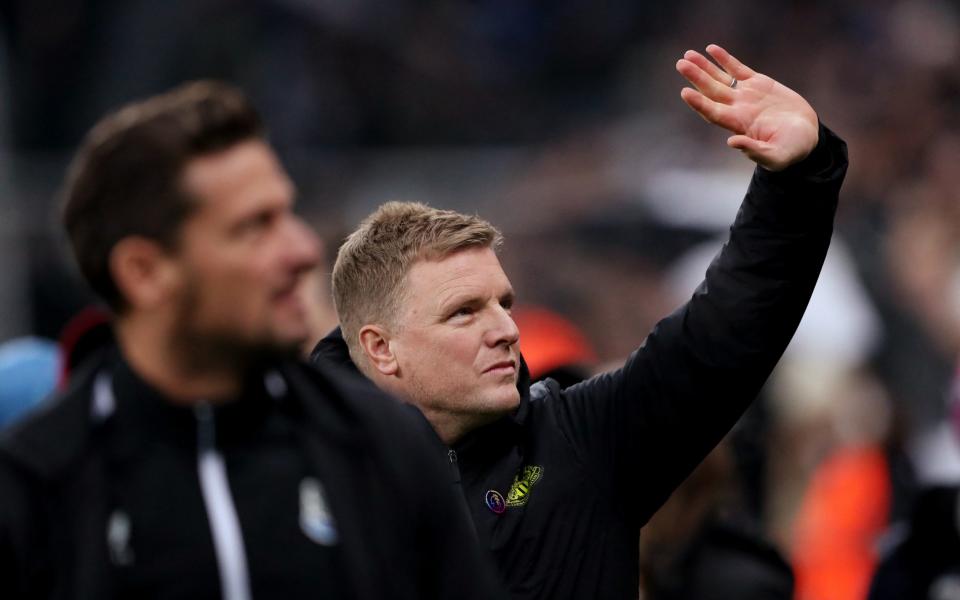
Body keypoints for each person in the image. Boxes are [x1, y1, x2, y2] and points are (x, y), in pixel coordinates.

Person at [312, 44, 848, 599]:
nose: (504, 329)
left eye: (503, 303)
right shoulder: (302, 476)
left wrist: (797, 182)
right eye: (463, 312)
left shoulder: (578, 443)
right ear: (381, 348)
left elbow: (721, 336)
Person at [0, 81, 504, 600]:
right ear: (145, 273)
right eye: (256, 227)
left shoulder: (380, 446)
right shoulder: (35, 485)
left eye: (288, 213)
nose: (304, 250)